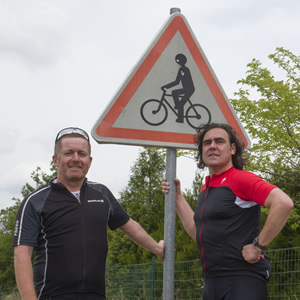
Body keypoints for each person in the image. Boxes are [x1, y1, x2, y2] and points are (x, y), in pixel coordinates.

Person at [13, 127, 164, 300]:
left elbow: (130, 226)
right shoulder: (35, 201)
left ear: (89, 161)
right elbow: (22, 255)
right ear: (56, 160)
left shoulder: (102, 194)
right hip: (52, 295)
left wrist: (156, 248)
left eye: (82, 154)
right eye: (69, 153)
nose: (76, 159)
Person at [162, 123, 294, 300]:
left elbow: (283, 203)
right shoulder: (205, 189)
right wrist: (177, 198)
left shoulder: (240, 179)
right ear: (202, 150)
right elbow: (198, 233)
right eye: (207, 143)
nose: (212, 146)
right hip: (212, 282)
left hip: (242, 279)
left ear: (232, 148)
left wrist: (258, 246)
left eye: (219, 141)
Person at [161, 53, 195, 123]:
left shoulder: (185, 69)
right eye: (178, 60)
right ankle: (180, 117)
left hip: (189, 89)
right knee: (174, 93)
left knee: (180, 102)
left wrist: (166, 87)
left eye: (179, 60)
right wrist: (166, 86)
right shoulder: (180, 69)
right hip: (186, 89)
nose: (178, 62)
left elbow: (186, 81)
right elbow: (177, 81)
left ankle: (178, 108)